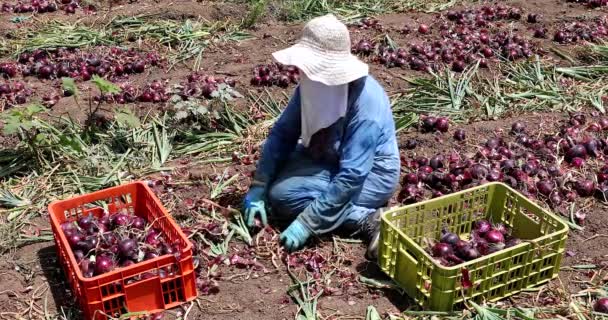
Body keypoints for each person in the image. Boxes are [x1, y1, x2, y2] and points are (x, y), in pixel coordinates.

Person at [242, 14, 400, 260]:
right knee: (275, 183)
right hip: (326, 153)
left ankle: (366, 219)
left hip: (371, 176)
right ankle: (327, 203)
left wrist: (308, 221)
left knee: (284, 197)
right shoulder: (313, 85)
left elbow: (353, 175)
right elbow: (283, 133)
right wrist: (259, 185)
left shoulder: (366, 105)